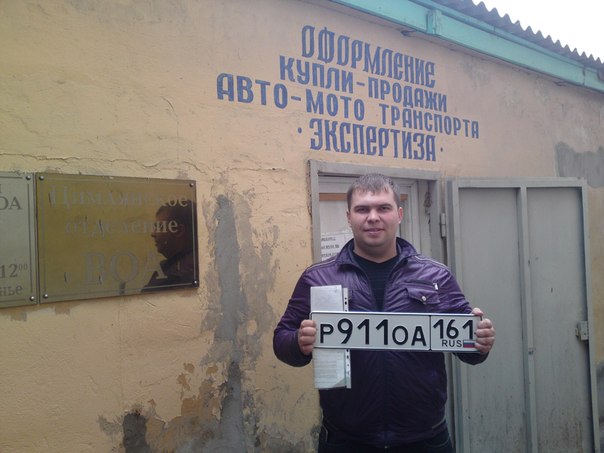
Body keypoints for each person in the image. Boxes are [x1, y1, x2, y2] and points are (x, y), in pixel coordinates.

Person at [273, 173, 495, 453]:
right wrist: (298, 342)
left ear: (399, 214)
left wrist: (480, 341)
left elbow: (469, 349)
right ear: (349, 217)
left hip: (425, 439)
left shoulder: (436, 275)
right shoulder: (317, 277)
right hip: (345, 441)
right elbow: (281, 339)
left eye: (383, 208)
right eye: (362, 209)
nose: (373, 217)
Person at [143, 199, 197, 290]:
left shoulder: (178, 274)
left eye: (160, 227)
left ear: (178, 231)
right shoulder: (171, 266)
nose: (153, 234)